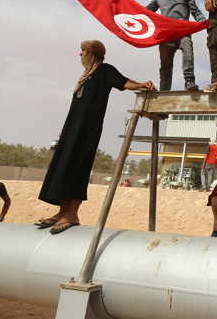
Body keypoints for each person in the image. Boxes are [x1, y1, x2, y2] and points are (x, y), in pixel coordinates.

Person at [36, 40, 156, 234]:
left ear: (93, 53)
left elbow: (123, 82)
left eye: (83, 50)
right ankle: (62, 212)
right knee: (64, 167)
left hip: (87, 130)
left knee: (77, 168)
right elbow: (75, 106)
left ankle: (72, 215)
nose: (80, 54)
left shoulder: (104, 70)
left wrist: (142, 84)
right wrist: (64, 129)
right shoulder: (85, 76)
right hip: (71, 130)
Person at [146, 0, 206, 91]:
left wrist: (205, 23)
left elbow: (195, 12)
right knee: (165, 66)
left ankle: (189, 80)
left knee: (187, 47)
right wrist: (131, 12)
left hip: (182, 31)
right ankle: (164, 91)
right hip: (165, 34)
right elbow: (146, 12)